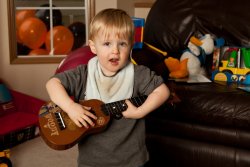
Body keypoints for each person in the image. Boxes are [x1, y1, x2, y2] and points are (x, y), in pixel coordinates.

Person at [46, 8, 170, 167]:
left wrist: (139, 112)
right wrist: (70, 107)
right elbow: (52, 83)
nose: (115, 51)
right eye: (106, 43)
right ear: (93, 47)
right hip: (90, 161)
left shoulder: (138, 74)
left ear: (131, 46)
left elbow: (162, 91)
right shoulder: (84, 74)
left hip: (131, 160)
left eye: (122, 44)